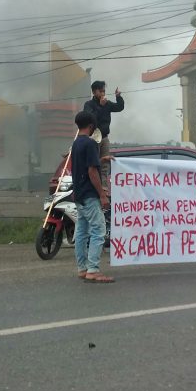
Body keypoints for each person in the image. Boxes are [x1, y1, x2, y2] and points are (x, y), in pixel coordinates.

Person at [70, 110, 114, 283]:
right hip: (89, 195)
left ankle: (82, 268)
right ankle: (93, 270)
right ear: (91, 126)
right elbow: (92, 171)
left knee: (81, 232)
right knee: (98, 231)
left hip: (79, 194)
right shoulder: (89, 144)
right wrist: (102, 195)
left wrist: (101, 159)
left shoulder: (76, 144)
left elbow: (86, 164)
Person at [82, 80, 124, 189]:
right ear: (94, 92)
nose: (103, 94)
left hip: (104, 137)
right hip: (93, 139)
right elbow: (90, 118)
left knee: (105, 164)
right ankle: (93, 188)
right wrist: (100, 106)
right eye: (100, 91)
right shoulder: (89, 105)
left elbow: (119, 107)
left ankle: (104, 188)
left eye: (104, 91)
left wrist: (118, 97)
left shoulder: (107, 103)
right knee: (94, 164)